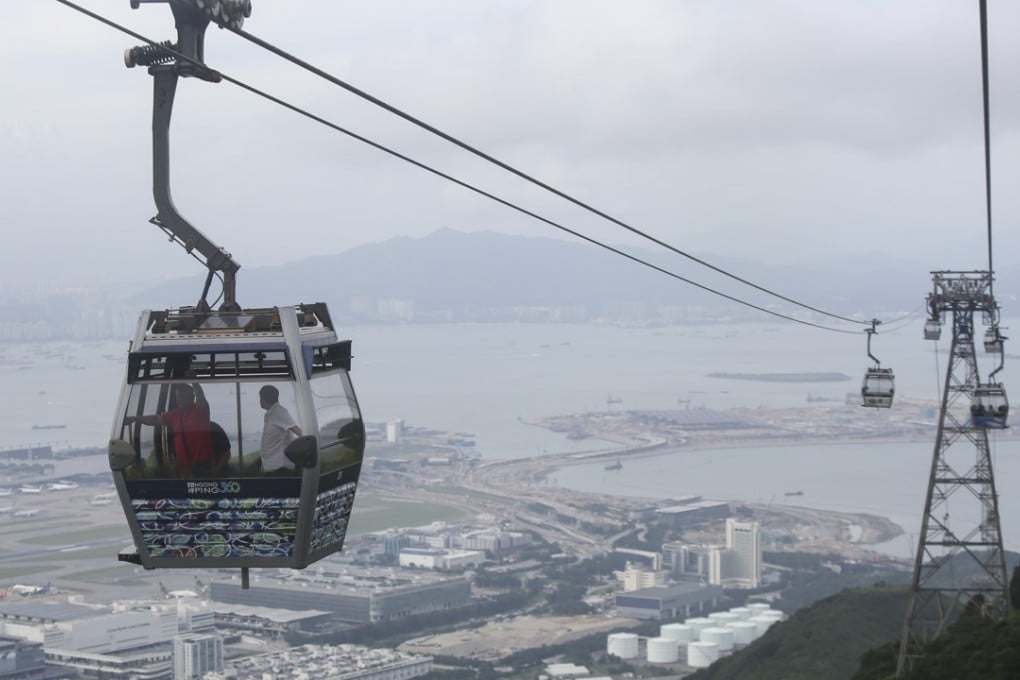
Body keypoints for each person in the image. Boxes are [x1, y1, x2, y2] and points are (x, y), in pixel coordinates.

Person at [125, 380, 214, 477]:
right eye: (178, 397)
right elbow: (155, 419)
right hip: (183, 469)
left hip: (202, 467)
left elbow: (200, 396)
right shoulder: (176, 414)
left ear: (192, 397)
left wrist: (194, 381)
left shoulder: (200, 411)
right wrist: (135, 418)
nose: (180, 399)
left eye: (183, 396)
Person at [259, 385, 302, 473]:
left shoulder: (279, 411)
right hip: (270, 467)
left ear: (265, 398)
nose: (259, 400)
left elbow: (299, 431)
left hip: (280, 469)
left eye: (260, 397)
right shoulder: (269, 414)